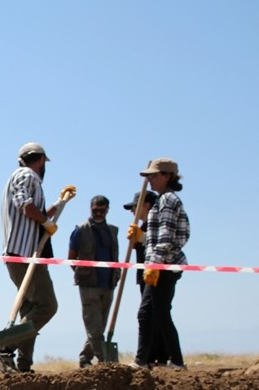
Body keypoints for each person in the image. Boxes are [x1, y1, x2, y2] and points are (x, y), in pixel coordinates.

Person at [0, 142, 77, 374]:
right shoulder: (27, 175)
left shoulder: (23, 176)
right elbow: (25, 205)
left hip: (21, 254)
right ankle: (4, 349)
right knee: (48, 306)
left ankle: (23, 365)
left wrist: (59, 204)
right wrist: (45, 221)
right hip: (23, 255)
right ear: (40, 160)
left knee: (30, 310)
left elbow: (34, 212)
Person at [131, 158, 190, 370]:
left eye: (153, 176)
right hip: (162, 264)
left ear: (167, 176)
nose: (150, 180)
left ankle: (174, 361)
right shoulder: (164, 200)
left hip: (163, 266)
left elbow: (165, 237)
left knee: (157, 313)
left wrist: (154, 264)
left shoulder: (168, 201)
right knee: (151, 313)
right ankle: (144, 361)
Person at [67, 195, 120, 367]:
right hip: (89, 286)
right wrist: (84, 275)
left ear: (107, 210)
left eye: (102, 210)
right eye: (95, 210)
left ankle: (85, 359)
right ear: (90, 209)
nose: (98, 213)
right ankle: (105, 362)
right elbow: (71, 259)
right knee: (94, 327)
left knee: (99, 328)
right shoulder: (80, 230)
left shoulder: (112, 231)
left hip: (109, 285)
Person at [122, 190, 168, 366]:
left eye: (135, 206)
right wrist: (136, 240)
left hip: (156, 275)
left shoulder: (154, 226)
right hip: (144, 276)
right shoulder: (143, 227)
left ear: (147, 205)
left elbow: (160, 243)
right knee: (153, 315)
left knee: (151, 315)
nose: (132, 211)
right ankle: (155, 355)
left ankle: (154, 356)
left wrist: (142, 238)